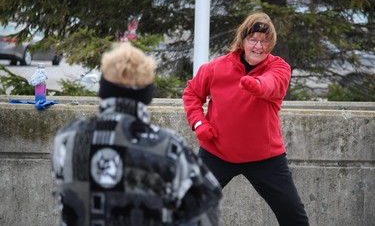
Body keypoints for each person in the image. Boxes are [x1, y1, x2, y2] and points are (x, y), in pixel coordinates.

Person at [51, 42, 222, 226]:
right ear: (147, 94)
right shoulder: (169, 147)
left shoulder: (67, 138)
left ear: (102, 88)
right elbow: (207, 208)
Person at [182, 12, 309, 226]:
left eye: (265, 41)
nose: (259, 46)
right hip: (217, 153)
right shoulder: (216, 67)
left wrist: (256, 85)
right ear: (242, 40)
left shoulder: (279, 67)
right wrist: (198, 122)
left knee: (293, 216)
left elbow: (272, 84)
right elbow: (192, 93)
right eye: (253, 40)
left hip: (265, 158)